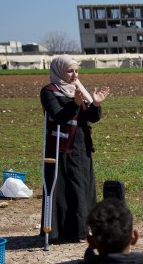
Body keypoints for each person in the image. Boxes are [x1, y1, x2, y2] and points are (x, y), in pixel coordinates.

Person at [40, 54, 110, 242]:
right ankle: (61, 231)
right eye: (70, 71)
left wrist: (95, 103)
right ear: (59, 71)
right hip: (61, 147)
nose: (74, 75)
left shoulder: (79, 89)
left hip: (81, 146)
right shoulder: (49, 91)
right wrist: (75, 104)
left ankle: (82, 229)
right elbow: (58, 117)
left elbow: (92, 117)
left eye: (76, 71)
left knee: (84, 187)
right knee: (66, 188)